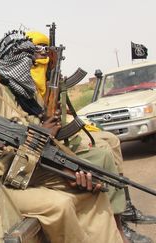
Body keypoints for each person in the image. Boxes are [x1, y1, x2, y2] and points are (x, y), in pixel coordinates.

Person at [0, 11, 122, 243]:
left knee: (91, 188)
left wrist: (45, 136)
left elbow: (19, 126)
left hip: (22, 163)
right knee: (60, 205)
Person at [25, 30, 155, 243]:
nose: (42, 55)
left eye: (45, 50)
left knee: (110, 141)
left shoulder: (44, 75)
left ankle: (123, 211)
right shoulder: (22, 79)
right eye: (37, 50)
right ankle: (116, 224)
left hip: (55, 136)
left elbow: (59, 112)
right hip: (42, 144)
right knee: (102, 154)